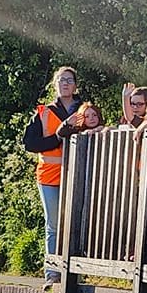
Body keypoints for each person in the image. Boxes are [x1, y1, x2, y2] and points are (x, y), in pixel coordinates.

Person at [21, 66, 90, 280]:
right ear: (55, 84)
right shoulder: (44, 112)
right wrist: (58, 137)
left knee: (78, 223)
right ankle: (52, 272)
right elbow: (30, 144)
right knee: (53, 225)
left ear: (76, 85)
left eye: (69, 80)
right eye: (61, 80)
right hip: (50, 176)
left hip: (79, 175)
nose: (65, 83)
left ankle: (75, 273)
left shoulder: (85, 110)